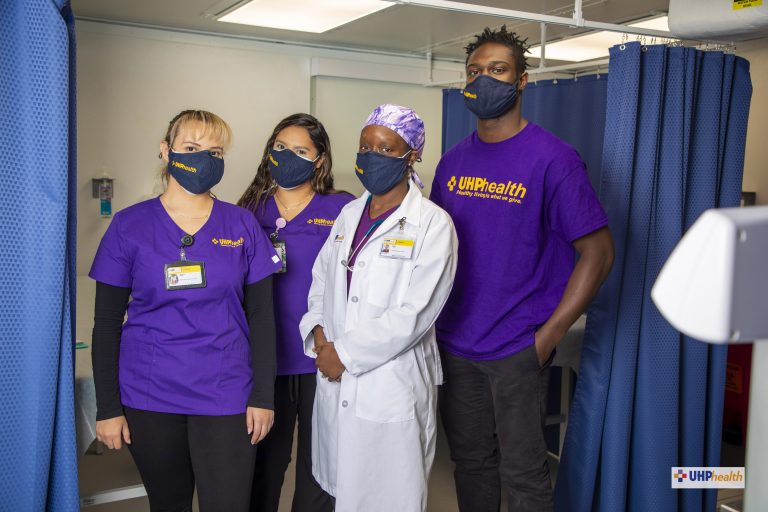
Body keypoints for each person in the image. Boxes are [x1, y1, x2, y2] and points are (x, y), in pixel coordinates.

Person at [429, 27, 615, 512]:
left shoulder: (553, 159)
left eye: (498, 70)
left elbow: (598, 253)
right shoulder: (452, 163)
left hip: (517, 347)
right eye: (474, 71)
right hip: (455, 345)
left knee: (524, 475)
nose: (483, 80)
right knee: (470, 463)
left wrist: (547, 337)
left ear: (522, 80)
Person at [90, 109, 282, 512]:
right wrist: (107, 408)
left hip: (227, 391)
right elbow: (106, 325)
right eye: (192, 148)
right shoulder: (129, 226)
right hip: (149, 393)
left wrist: (263, 396)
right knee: (169, 503)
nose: (204, 159)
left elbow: (263, 318)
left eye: (215, 151)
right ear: (166, 151)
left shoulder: (242, 225)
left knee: (229, 504)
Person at [299, 104, 458, 512]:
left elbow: (415, 315)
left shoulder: (433, 225)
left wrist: (345, 354)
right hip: (335, 375)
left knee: (388, 496)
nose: (372, 156)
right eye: (366, 146)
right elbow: (321, 282)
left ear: (412, 155)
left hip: (391, 386)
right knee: (342, 491)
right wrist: (319, 334)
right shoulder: (348, 214)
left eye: (386, 149)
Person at [238, 113, 354, 512]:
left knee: (319, 465)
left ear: (319, 160)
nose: (288, 156)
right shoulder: (249, 209)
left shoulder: (341, 208)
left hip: (322, 356)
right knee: (265, 465)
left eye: (301, 151)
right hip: (266, 359)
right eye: (281, 147)